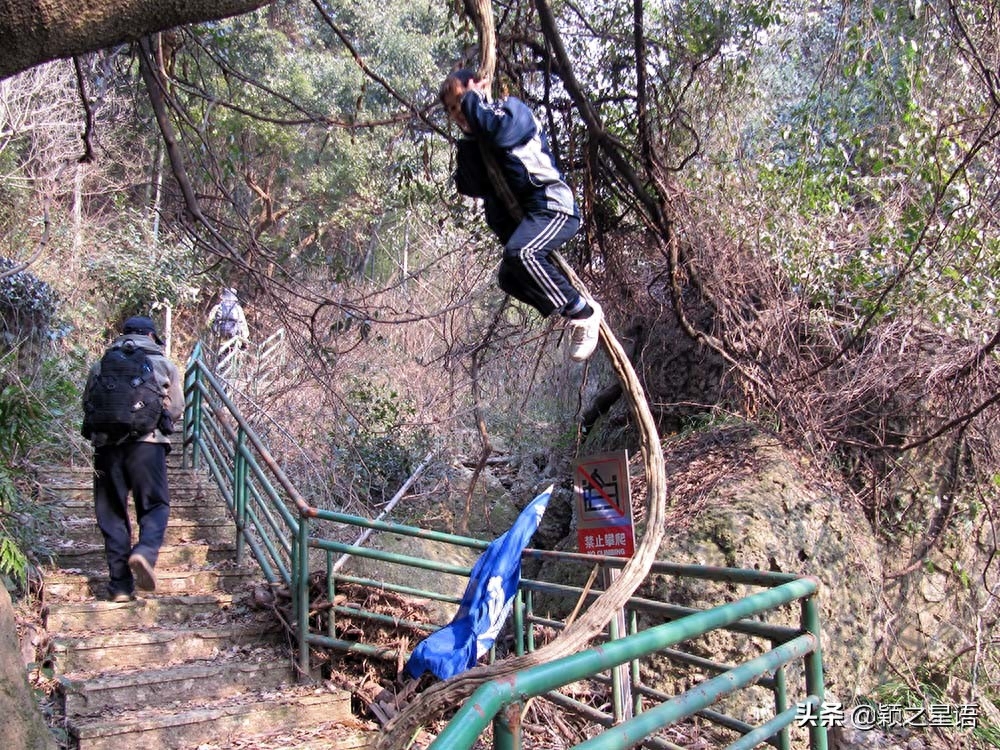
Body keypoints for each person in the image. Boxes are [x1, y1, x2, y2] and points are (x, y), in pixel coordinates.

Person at [439, 69, 603, 361]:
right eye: (452, 109)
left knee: (522, 254)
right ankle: (572, 306)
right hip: (530, 220)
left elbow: (501, 134)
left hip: (553, 206)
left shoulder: (512, 111)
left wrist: (475, 103)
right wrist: (469, 142)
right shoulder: (477, 145)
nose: (459, 112)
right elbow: (469, 184)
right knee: (509, 277)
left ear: (479, 90)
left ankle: (583, 313)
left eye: (461, 101)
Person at [81, 316, 184, 601]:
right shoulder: (163, 363)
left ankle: (120, 586)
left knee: (112, 512)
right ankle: (144, 552)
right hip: (147, 447)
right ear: (152, 336)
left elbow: (88, 402)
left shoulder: (102, 363)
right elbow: (176, 409)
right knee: (155, 506)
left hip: (106, 449)